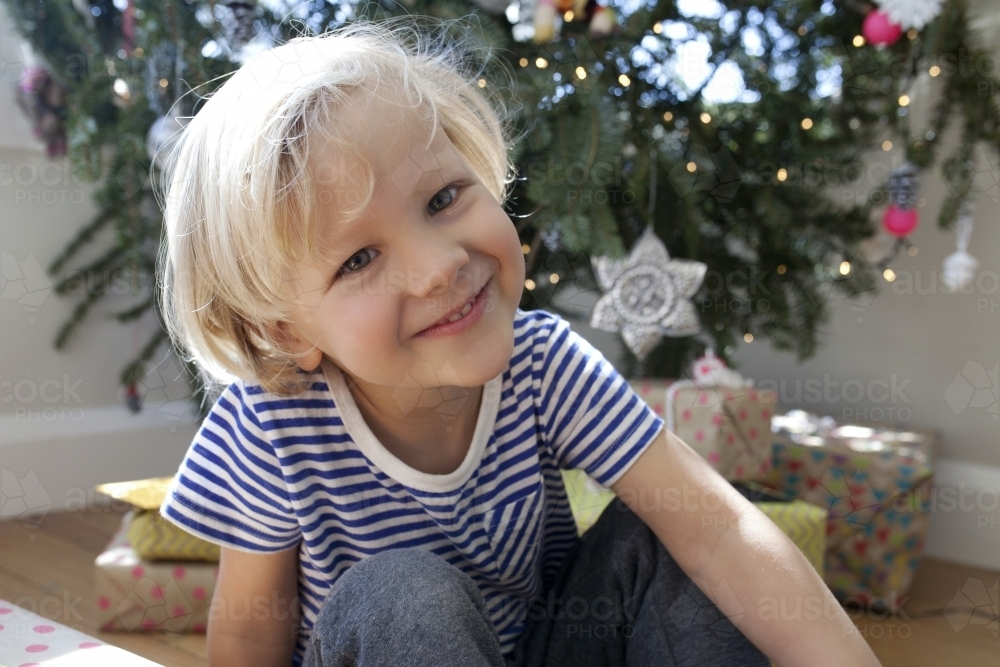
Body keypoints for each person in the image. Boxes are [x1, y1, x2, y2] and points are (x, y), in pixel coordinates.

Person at [156, 16, 882, 667]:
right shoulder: (270, 424)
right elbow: (250, 637)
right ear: (288, 332)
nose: (440, 264)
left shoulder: (545, 364)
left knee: (685, 530)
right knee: (406, 591)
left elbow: (722, 533)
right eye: (359, 259)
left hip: (542, 644)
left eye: (443, 198)